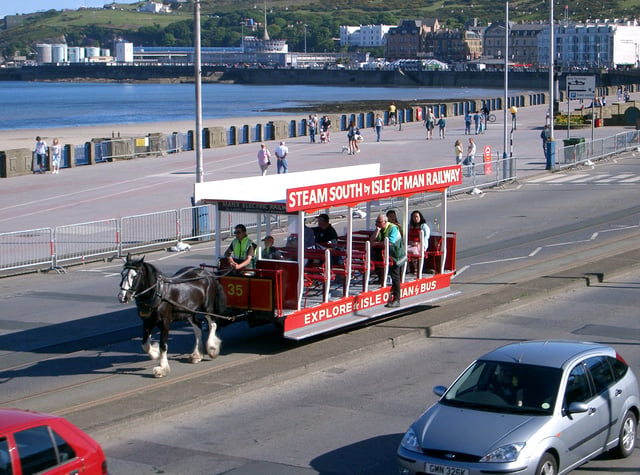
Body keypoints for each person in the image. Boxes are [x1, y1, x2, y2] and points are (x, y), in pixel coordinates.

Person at [370, 213, 405, 308]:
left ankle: (397, 299)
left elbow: (390, 242)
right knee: (376, 264)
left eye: (379, 222)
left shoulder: (393, 228)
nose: (377, 224)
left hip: (396, 255)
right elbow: (371, 241)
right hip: (386, 255)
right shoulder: (379, 228)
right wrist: (377, 231)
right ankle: (382, 279)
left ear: (385, 222)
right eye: (376, 222)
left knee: (395, 276)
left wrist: (376, 243)